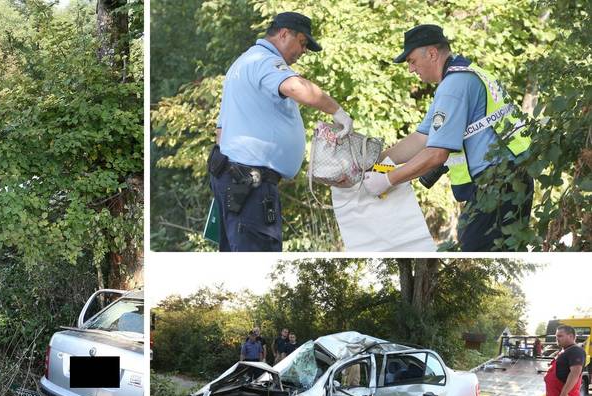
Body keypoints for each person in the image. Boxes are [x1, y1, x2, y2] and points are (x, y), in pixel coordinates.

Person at [363, 24, 532, 251]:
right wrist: (377, 161)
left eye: (412, 61)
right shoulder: (463, 75)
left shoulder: (454, 86)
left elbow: (436, 154)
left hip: (496, 186)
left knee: (475, 251)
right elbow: (421, 138)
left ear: (432, 53)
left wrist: (387, 180)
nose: (411, 69)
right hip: (509, 180)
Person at [210, 11, 354, 251]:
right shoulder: (264, 60)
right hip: (249, 183)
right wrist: (338, 112)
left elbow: (221, 129)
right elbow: (296, 86)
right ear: (284, 33)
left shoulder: (242, 63)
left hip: (234, 177)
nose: (303, 51)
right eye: (302, 42)